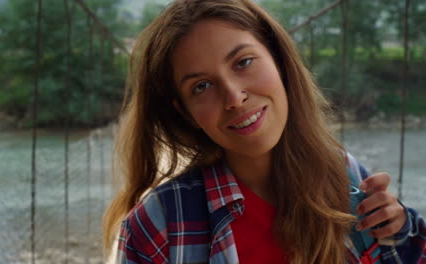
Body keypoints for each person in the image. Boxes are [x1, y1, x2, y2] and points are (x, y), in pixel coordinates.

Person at [102, 0, 426, 263]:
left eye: (243, 62)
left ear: (279, 60)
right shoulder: (156, 226)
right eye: (201, 86)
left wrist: (402, 232)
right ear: (185, 112)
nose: (234, 97)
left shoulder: (345, 176)